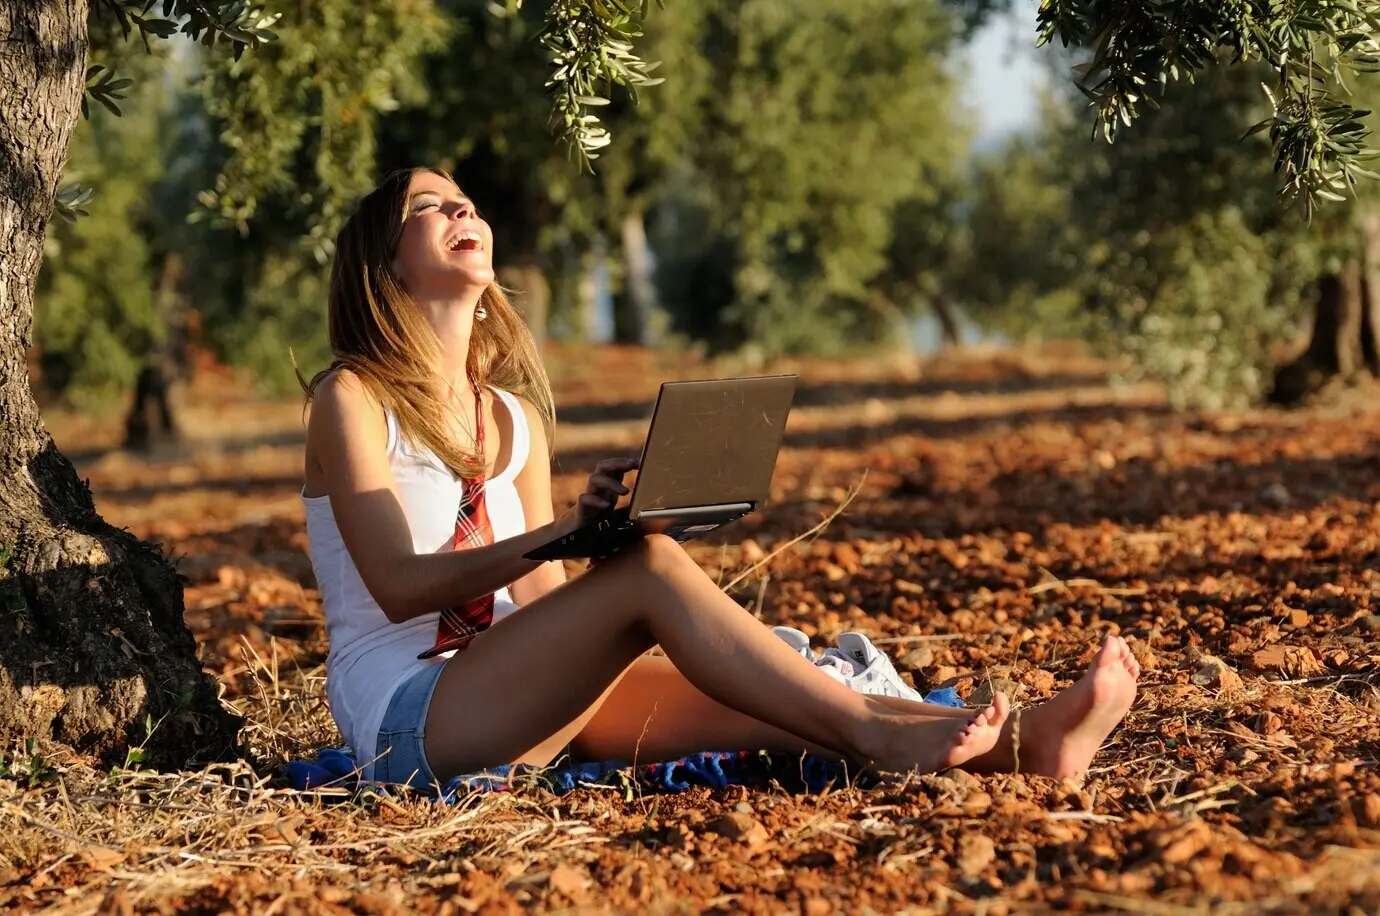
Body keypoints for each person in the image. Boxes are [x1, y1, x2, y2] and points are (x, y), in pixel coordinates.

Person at [299, 167, 1142, 789]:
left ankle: (1030, 744)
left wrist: (610, 550)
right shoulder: (352, 397)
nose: (463, 209)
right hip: (407, 719)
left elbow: (546, 606)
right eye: (429, 207)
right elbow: (402, 585)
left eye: (467, 201)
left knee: (771, 697)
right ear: (387, 265)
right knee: (660, 579)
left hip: (516, 696)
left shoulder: (515, 417)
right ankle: (887, 740)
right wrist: (572, 540)